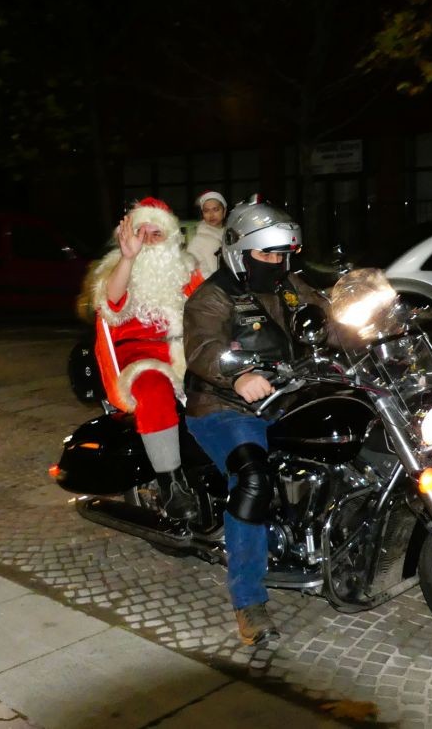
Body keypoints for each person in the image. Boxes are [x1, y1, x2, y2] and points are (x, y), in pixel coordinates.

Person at [183, 195, 321, 646]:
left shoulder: (288, 284)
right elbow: (203, 348)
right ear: (239, 252)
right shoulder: (212, 296)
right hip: (223, 405)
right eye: (267, 254)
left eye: (283, 255)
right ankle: (248, 601)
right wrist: (238, 374)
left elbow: (326, 317)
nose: (277, 264)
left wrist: (379, 325)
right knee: (252, 480)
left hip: (285, 396)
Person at [87, 197, 203, 520]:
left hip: (186, 352)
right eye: (142, 233)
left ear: (170, 237)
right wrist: (128, 257)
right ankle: (172, 485)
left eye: (156, 234)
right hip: (139, 355)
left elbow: (210, 308)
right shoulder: (119, 268)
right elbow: (111, 302)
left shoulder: (186, 270)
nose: (149, 241)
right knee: (154, 388)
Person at [186, 190, 227, 279]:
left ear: (224, 211)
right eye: (206, 211)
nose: (211, 215)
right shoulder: (198, 241)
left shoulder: (230, 236)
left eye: (215, 209)